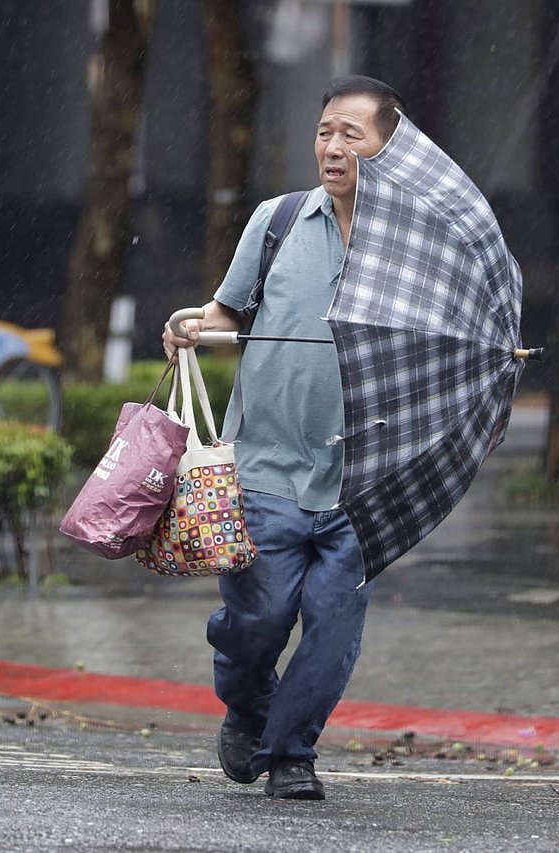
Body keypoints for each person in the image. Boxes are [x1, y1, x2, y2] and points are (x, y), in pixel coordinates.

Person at [162, 76, 405, 800]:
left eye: (351, 135)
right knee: (259, 617)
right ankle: (247, 702)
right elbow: (230, 310)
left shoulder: (407, 248)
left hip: (359, 476)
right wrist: (191, 325)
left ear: (388, 146)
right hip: (264, 466)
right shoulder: (277, 219)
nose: (332, 146)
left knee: (331, 628)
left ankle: (293, 752)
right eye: (326, 131)